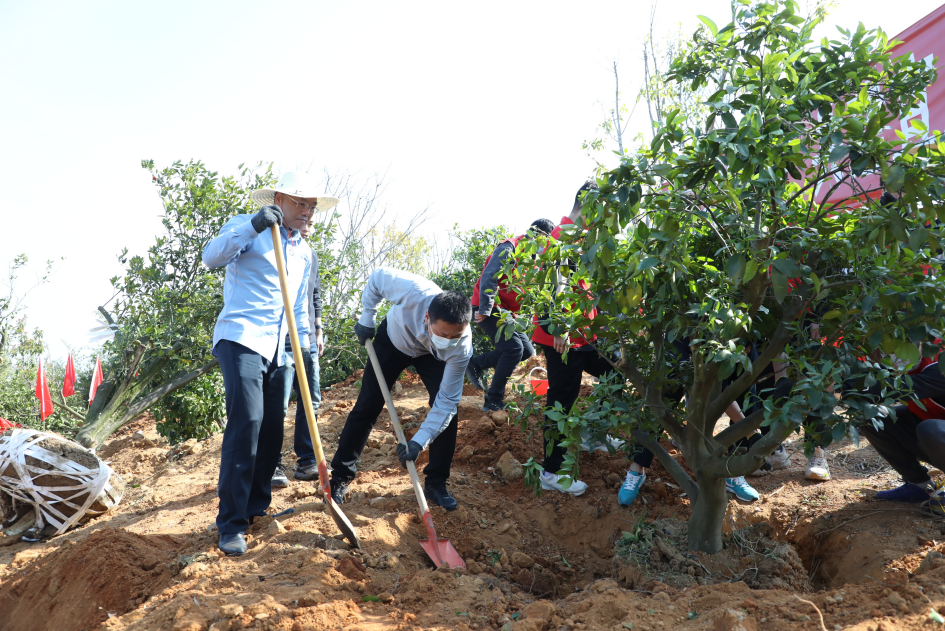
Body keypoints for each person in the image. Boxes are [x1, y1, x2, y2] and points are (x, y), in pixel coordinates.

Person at [203, 171, 338, 556]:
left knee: (273, 428)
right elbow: (211, 257)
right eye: (302, 204)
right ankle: (231, 522)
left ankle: (257, 508)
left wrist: (306, 347)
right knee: (247, 422)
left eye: (312, 206)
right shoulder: (247, 228)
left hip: (283, 345)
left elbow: (297, 305)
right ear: (279, 199)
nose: (309, 212)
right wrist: (253, 225)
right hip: (241, 337)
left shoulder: (305, 253)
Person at [329, 268, 473, 511]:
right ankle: (340, 477)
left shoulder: (460, 347)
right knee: (368, 404)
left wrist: (417, 443)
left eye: (455, 335)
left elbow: (446, 402)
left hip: (432, 357)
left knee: (449, 413)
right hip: (394, 341)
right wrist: (368, 316)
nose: (449, 339)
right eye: (443, 334)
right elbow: (375, 278)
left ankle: (436, 482)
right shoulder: (412, 291)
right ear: (427, 317)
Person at [466, 219, 555, 411]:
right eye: (548, 242)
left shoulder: (532, 258)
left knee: (526, 351)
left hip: (506, 312)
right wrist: (485, 309)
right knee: (513, 349)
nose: (547, 248)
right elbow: (489, 276)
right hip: (488, 306)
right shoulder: (509, 248)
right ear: (539, 236)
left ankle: (475, 363)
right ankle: (493, 400)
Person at [847, 345, 945, 508]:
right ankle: (920, 486)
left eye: (905, 342)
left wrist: (846, 387)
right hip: (935, 432)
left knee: (930, 429)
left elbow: (901, 388)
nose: (897, 356)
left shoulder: (940, 360)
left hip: (937, 432)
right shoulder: (885, 363)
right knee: (869, 416)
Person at [272, 215, 327, 486]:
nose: (307, 228)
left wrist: (318, 330)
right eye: (302, 222)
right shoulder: (277, 250)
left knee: (311, 400)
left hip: (305, 338)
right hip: (282, 338)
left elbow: (314, 295)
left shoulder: (310, 255)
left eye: (311, 224)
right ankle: (272, 465)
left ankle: (307, 461)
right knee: (278, 404)